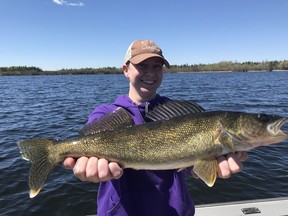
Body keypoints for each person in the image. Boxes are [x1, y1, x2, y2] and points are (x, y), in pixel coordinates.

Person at [63, 40, 248, 216]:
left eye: (156, 66)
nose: (150, 72)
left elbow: (192, 167)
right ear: (125, 70)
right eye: (142, 65)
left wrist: (209, 165)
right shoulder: (105, 113)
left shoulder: (179, 114)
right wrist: (86, 167)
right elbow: (88, 142)